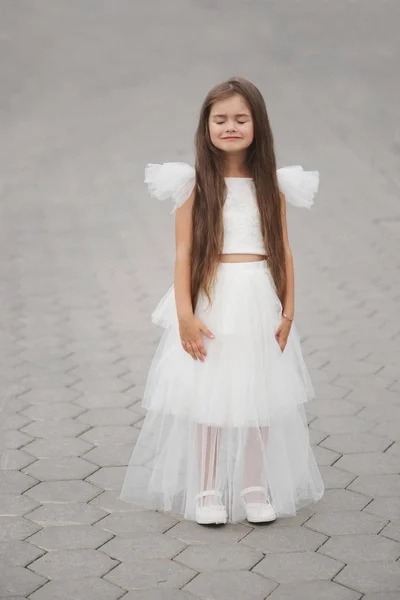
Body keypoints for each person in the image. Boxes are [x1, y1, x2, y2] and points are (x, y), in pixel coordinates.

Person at [120, 77, 324, 525]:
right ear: (206, 126)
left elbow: (284, 250)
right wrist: (185, 315)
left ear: (257, 125)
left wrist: (289, 310)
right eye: (221, 119)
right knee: (206, 395)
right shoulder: (193, 184)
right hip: (211, 298)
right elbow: (183, 252)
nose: (230, 126)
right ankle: (207, 490)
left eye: (240, 118)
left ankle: (254, 486)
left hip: (257, 297)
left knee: (260, 394)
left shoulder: (273, 184)